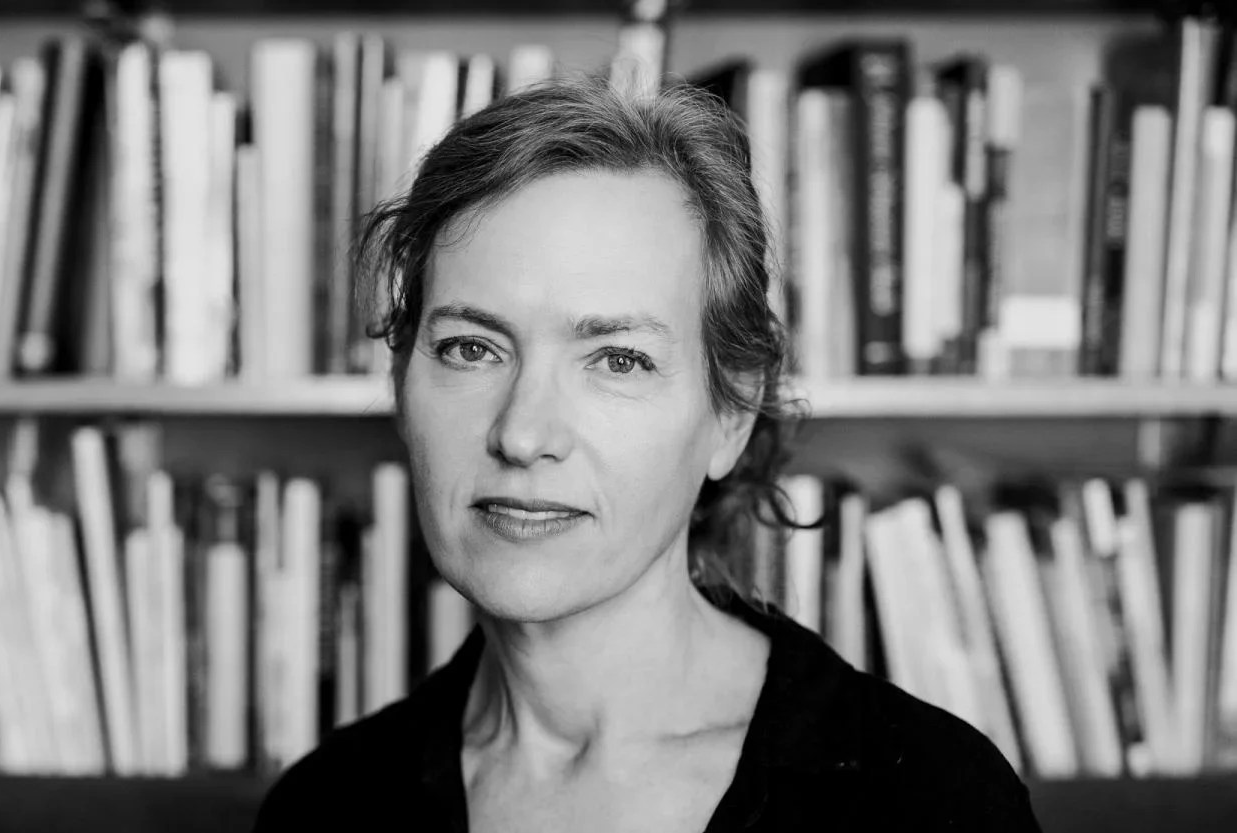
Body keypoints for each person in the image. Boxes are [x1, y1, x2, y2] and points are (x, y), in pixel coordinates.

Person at [253, 73, 1041, 832]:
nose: (524, 434)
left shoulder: (926, 801)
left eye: (618, 360)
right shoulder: (325, 806)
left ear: (730, 411)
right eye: (470, 348)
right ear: (400, 380)